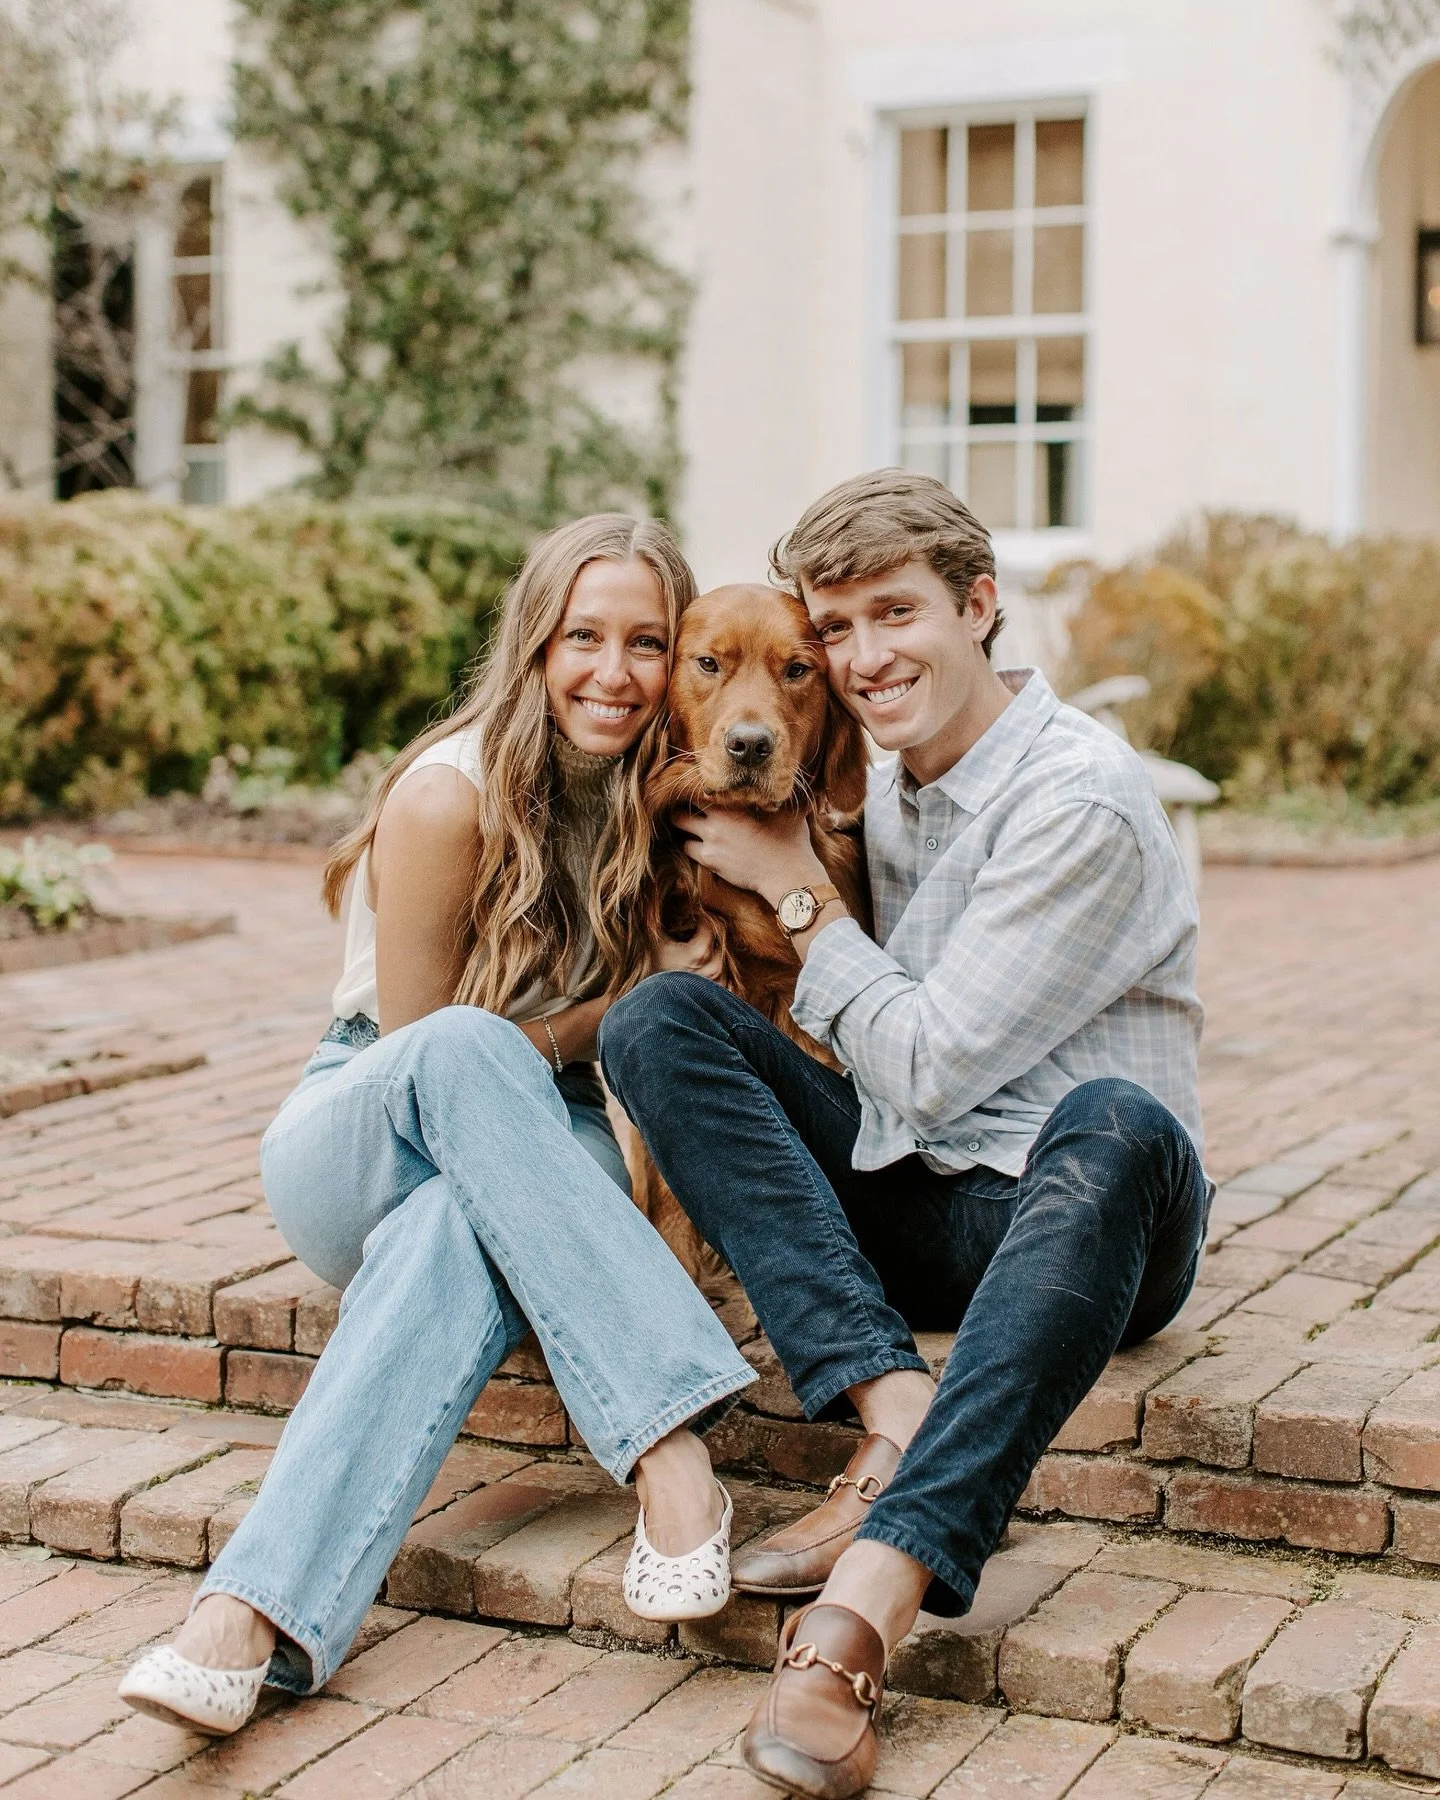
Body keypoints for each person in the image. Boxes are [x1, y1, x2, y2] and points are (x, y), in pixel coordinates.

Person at [600, 471, 1210, 1800]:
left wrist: (796, 897)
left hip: (1088, 1217)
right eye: (838, 629)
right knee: (658, 1022)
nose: (866, 656)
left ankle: (864, 1608)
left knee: (1113, 1120)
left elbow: (928, 1068)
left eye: (898, 613)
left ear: (979, 605)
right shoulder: (883, 788)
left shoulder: (1076, 798)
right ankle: (889, 1402)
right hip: (921, 1196)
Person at [119, 514, 754, 1738]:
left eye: (646, 643)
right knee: (465, 1055)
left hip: (544, 1142)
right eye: (583, 637)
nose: (614, 673)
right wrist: (609, 1013)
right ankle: (675, 1458)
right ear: (535, 644)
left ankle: (243, 1620)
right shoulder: (448, 795)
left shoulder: (661, 799)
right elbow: (425, 1064)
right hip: (368, 1119)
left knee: (454, 1240)